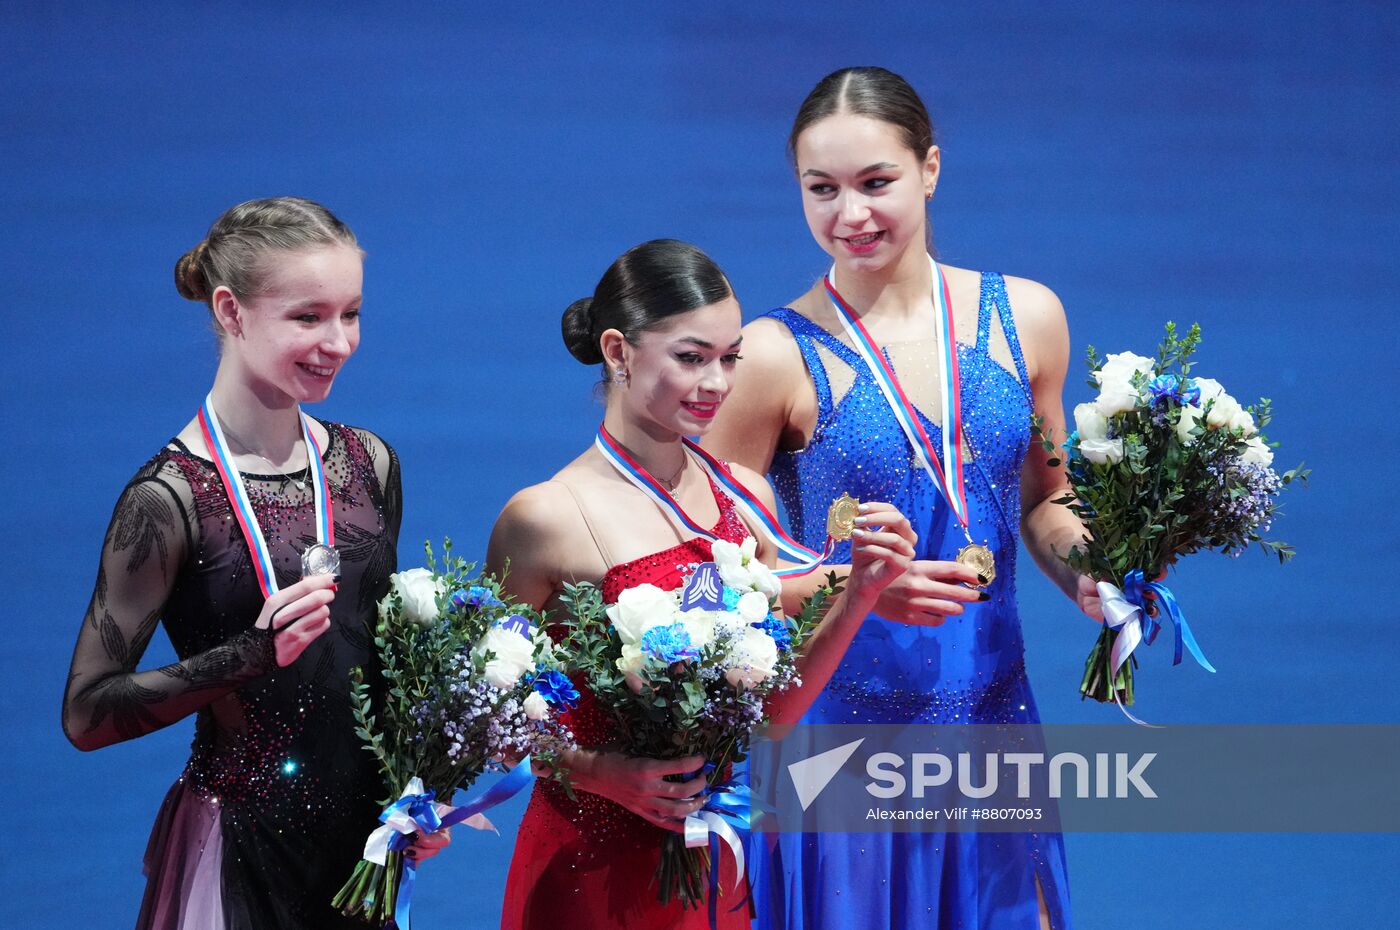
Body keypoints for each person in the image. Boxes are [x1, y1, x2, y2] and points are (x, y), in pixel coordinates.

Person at [702, 67, 1104, 930]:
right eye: (822, 190)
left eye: (876, 182)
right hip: (840, 746)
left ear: (930, 168)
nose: (850, 215)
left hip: (995, 727)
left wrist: (1092, 574)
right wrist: (851, 586)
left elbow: (1045, 500)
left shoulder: (1028, 317)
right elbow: (717, 565)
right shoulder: (770, 356)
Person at [487, 239, 915, 930]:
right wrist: (598, 770)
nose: (717, 383)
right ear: (618, 352)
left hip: (716, 865)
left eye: (729, 358)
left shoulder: (745, 498)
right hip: (586, 872)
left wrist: (860, 592)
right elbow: (487, 718)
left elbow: (772, 716)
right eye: (691, 358)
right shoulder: (541, 518)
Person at [61, 197, 442, 929]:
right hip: (240, 853)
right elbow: (86, 713)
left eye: (351, 313)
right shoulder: (168, 501)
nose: (340, 341)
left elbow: (377, 658)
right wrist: (247, 655)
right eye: (308, 317)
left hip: (362, 851)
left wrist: (420, 787)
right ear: (231, 312)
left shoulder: (368, 464)